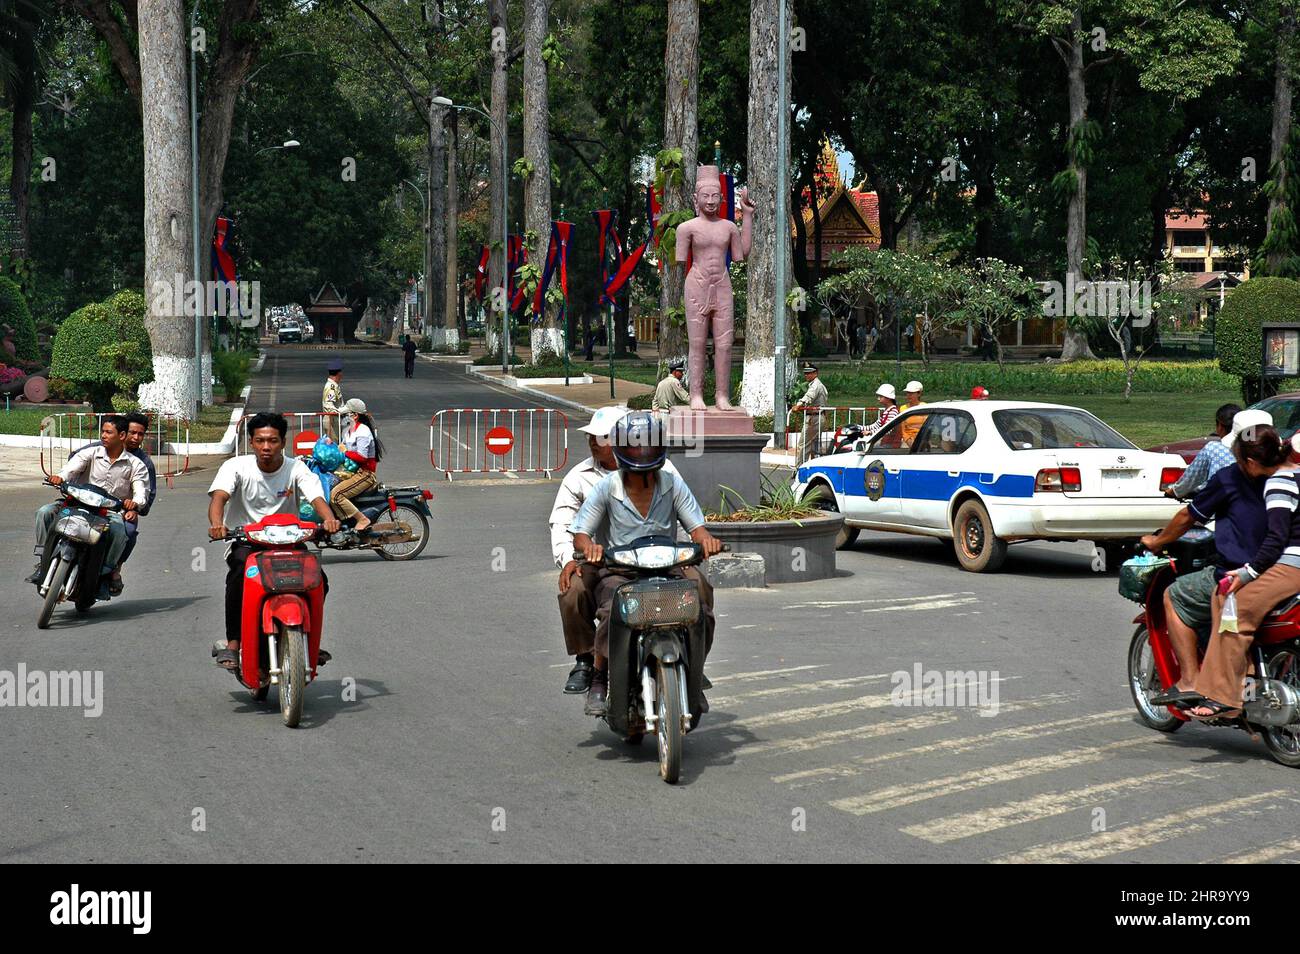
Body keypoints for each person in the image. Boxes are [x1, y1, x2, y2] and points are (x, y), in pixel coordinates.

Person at [568, 411, 723, 716]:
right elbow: (581, 534)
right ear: (622, 452)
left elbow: (697, 528)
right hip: (620, 570)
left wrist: (707, 540)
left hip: (668, 566)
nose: (642, 457)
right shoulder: (606, 487)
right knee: (613, 611)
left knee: (701, 601)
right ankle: (600, 673)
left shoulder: (672, 484)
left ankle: (694, 668)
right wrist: (591, 548)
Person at [551, 406, 696, 695]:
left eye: (602, 437)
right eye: (592, 437)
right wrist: (569, 559)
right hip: (604, 560)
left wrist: (689, 553)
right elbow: (564, 524)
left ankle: (692, 663)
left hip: (660, 556)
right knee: (574, 590)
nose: (594, 442)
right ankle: (586, 659)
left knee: (698, 594)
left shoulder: (663, 471)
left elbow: (682, 515)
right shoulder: (579, 477)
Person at [1140, 410, 1276, 700]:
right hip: (1285, 572)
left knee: (1175, 596)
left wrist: (1157, 540)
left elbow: (1186, 517)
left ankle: (1190, 681)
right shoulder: (1289, 473)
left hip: (1243, 572)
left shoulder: (1231, 477)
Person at [207, 413, 340, 672]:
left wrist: (330, 520)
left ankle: (309, 639)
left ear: (283, 442)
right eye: (259, 441)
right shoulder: (235, 467)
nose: (266, 447)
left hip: (288, 542)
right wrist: (217, 524)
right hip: (247, 542)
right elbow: (219, 499)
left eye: (272, 441)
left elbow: (316, 498)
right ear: (251, 442)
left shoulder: (297, 468)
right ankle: (234, 643)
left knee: (318, 580)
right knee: (238, 577)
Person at [1184, 427, 1298, 719]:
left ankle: (1223, 696)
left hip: (1292, 566)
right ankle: (1245, 685)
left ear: (1250, 462)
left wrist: (1246, 573)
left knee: (1231, 603)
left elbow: (1275, 539)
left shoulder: (1280, 482)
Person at [30, 415, 148, 597]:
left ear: (122, 435)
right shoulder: (91, 453)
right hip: (76, 504)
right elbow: (72, 468)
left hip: (107, 513)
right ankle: (42, 559)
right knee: (44, 512)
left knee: (119, 532)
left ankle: (105, 573)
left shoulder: (136, 464)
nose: (104, 436)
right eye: (103, 431)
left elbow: (141, 490)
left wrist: (135, 503)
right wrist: (60, 478)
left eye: (109, 432)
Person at [1165, 402, 1241, 499]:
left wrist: (1174, 491)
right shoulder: (1256, 449)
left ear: (1220, 427)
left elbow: (1191, 478)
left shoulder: (1213, 449)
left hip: (1219, 504)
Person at [332, 398, 382, 532]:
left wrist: (345, 452)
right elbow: (341, 449)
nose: (343, 418)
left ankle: (362, 519)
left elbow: (362, 456)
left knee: (336, 495)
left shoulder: (363, 431)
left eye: (346, 415)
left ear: (355, 415)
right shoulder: (349, 431)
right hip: (352, 472)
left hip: (365, 474)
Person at [796, 363, 828, 464]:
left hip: (814, 418)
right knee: (814, 445)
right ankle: (811, 467)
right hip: (816, 417)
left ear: (815, 373)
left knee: (804, 444)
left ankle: (800, 468)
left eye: (809, 373)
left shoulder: (816, 385)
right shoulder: (816, 384)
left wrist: (799, 405)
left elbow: (809, 397)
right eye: (805, 373)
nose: (806, 375)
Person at [899, 380, 926, 446]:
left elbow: (927, 428)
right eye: (907, 393)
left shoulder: (925, 407)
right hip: (907, 441)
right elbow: (902, 430)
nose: (908, 395)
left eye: (911, 393)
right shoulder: (903, 408)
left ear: (919, 394)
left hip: (923, 440)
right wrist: (908, 440)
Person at [322, 358, 344, 440]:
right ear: (338, 373)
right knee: (334, 448)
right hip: (332, 421)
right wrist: (344, 411)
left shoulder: (334, 386)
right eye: (341, 372)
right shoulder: (331, 388)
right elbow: (330, 408)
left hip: (335, 420)